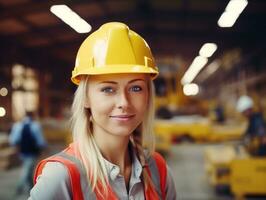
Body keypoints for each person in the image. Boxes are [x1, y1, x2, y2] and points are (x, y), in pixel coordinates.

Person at [29, 22, 176, 199]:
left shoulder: (157, 169)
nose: (124, 102)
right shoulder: (61, 177)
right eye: (108, 89)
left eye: (136, 88)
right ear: (86, 98)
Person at [9, 111, 46, 194]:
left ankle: (31, 187)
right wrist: (43, 149)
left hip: (22, 151)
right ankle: (20, 187)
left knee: (28, 168)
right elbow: (40, 141)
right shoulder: (35, 125)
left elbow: (13, 140)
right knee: (27, 169)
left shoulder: (18, 125)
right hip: (32, 152)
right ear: (33, 115)